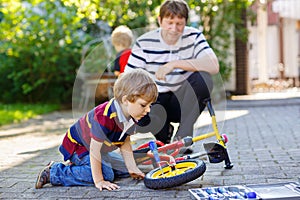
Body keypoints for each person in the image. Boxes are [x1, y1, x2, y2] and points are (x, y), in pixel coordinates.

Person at [35, 69, 158, 191]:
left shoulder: (133, 116)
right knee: (107, 175)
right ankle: (54, 172)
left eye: (150, 106)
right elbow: (94, 150)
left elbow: (125, 141)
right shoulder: (104, 117)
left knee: (124, 169)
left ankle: (85, 168)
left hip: (99, 149)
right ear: (126, 100)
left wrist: (132, 167)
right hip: (79, 147)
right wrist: (99, 180)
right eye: (143, 105)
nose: (148, 110)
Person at [125, 0, 220, 152]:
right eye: (169, 22)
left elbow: (213, 66)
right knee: (145, 112)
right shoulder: (144, 42)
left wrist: (174, 64)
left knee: (203, 78)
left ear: (186, 22)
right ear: (159, 20)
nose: (174, 29)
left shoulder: (194, 36)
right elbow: (127, 79)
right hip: (155, 102)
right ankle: (163, 136)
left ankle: (183, 136)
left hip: (182, 101)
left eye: (179, 23)